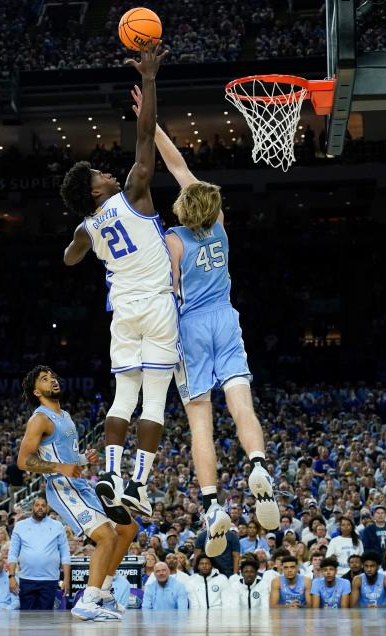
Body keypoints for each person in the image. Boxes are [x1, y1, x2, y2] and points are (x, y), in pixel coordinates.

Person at [126, 88, 279, 550]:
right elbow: (178, 165)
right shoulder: (219, 225)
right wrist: (155, 126)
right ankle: (257, 464)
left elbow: (168, 290)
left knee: (200, 422)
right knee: (243, 405)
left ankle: (212, 503)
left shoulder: (172, 241)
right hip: (225, 319)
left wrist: (142, 124)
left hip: (190, 325)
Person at [60, 42, 174, 521]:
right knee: (155, 400)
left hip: (122, 311)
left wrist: (82, 231)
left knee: (123, 397)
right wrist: (149, 80)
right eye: (99, 174)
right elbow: (146, 137)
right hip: (157, 305)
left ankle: (110, 472)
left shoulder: (87, 227)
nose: (107, 172)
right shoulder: (132, 192)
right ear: (95, 191)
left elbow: (69, 259)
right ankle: (140, 483)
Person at [17, 366, 138, 621]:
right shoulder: (40, 419)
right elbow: (23, 460)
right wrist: (59, 467)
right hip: (61, 489)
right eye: (44, 379)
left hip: (80, 485)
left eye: (52, 376)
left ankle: (104, 590)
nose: (52, 380)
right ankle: (88, 601)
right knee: (106, 536)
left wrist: (83, 459)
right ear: (37, 391)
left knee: (128, 528)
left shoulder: (66, 416)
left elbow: (66, 456)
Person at [7, 497, 71, 611]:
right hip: (26, 579)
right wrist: (11, 577)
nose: (40, 508)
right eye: (37, 505)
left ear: (47, 508)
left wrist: (66, 579)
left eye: (43, 505)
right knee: (26, 618)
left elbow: (65, 555)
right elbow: (13, 554)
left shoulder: (58, 526)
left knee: (46, 618)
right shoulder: (20, 526)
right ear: (32, 507)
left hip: (50, 579)